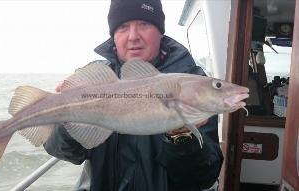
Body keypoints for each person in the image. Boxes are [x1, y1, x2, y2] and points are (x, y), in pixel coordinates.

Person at [44, 0, 223, 190]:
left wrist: (181, 136)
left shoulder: (195, 85)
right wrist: (69, 115)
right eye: (122, 27)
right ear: (113, 36)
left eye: (143, 24)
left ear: (160, 31)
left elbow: (203, 177)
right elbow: (67, 153)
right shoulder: (93, 81)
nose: (133, 36)